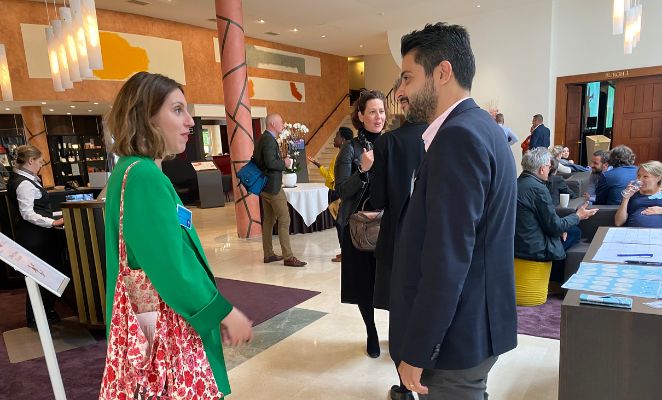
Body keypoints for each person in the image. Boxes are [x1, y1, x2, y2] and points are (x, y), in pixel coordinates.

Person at [101, 72, 253, 398]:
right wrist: (222, 312)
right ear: (146, 116)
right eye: (177, 110)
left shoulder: (133, 171)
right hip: (166, 328)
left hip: (153, 323)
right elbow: (171, 267)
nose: (189, 121)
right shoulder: (143, 176)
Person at [390, 22, 518, 399]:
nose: (401, 92)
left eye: (408, 78)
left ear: (442, 73)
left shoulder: (458, 138)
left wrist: (418, 349)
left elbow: (448, 260)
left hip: (454, 341)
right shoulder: (485, 128)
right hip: (473, 326)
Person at [371, 77, 427, 400]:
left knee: (400, 312)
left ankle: (405, 388)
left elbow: (378, 200)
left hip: (397, 236)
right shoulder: (440, 137)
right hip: (431, 238)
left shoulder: (387, 143)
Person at [335, 88, 386, 359]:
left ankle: (396, 331)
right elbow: (341, 190)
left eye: (381, 111)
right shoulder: (350, 149)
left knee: (390, 282)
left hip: (388, 227)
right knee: (364, 285)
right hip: (358, 230)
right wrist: (363, 170)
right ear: (360, 116)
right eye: (372, 112)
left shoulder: (391, 143)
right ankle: (371, 331)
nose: (378, 117)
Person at [515, 148, 597, 306]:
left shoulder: (517, 183)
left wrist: (561, 227)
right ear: (542, 168)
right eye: (549, 166)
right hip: (532, 246)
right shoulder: (538, 189)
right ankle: (554, 282)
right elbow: (554, 226)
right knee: (575, 232)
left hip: (517, 241)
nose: (550, 169)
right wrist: (578, 216)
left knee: (569, 231)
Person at [7, 145, 65, 328]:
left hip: (35, 236)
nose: (41, 165)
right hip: (35, 238)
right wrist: (53, 222)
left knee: (40, 277)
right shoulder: (24, 183)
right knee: (41, 276)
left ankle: (43, 313)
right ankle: (37, 317)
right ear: (31, 161)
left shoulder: (24, 179)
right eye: (39, 162)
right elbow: (27, 213)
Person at [253, 113, 306, 267]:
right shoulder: (268, 140)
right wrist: (285, 162)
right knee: (284, 218)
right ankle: (288, 257)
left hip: (264, 186)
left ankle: (268, 254)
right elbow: (270, 162)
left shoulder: (264, 138)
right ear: (273, 124)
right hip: (273, 186)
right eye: (281, 122)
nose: (283, 124)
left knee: (269, 220)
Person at [307, 126, 354, 262]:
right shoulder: (341, 155)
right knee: (340, 224)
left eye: (337, 136)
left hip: (336, 193)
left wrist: (318, 166)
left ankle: (346, 253)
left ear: (343, 139)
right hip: (336, 192)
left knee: (341, 224)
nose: (334, 138)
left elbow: (332, 178)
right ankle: (344, 251)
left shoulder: (341, 157)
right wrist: (317, 164)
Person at [615, 160, 662, 227]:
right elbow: (618, 222)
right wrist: (626, 198)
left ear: (658, 178)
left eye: (645, 176)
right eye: (638, 176)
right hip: (634, 233)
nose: (640, 180)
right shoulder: (632, 193)